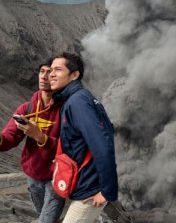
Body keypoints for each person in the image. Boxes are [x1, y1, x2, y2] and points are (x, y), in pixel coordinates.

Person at [0, 60, 65, 223]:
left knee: (45, 221)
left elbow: (71, 147)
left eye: (50, 72)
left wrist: (40, 137)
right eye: (42, 71)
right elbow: (9, 138)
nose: (44, 76)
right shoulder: (27, 109)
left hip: (57, 177)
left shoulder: (67, 110)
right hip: (33, 177)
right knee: (47, 218)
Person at [49, 52, 118, 223]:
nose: (51, 74)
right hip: (84, 185)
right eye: (51, 70)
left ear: (74, 75)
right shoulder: (76, 98)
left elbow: (102, 146)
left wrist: (107, 191)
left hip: (90, 191)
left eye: (58, 70)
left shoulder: (77, 102)